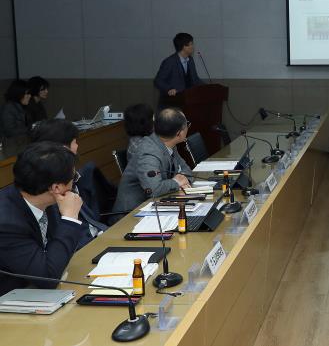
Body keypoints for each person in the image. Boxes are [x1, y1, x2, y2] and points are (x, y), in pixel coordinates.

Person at [0, 142, 86, 295]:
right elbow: (47, 277)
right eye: (73, 177)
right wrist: (70, 220)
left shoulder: (44, 199)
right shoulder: (6, 224)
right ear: (56, 188)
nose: (74, 182)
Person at [30, 119, 110, 247]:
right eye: (74, 142)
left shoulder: (71, 176)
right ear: (62, 148)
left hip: (98, 236)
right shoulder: (48, 190)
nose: (77, 146)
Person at [114, 108, 193, 215]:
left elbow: (187, 171)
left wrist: (182, 180)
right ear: (179, 133)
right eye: (187, 124)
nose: (188, 127)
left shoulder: (168, 143)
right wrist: (176, 182)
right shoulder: (148, 151)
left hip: (158, 204)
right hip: (132, 214)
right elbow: (153, 189)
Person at [153, 33, 203, 108]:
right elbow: (158, 81)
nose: (193, 47)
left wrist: (209, 87)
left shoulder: (190, 60)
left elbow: (195, 79)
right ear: (184, 46)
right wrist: (169, 89)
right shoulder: (170, 61)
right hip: (171, 104)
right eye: (191, 44)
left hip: (187, 103)